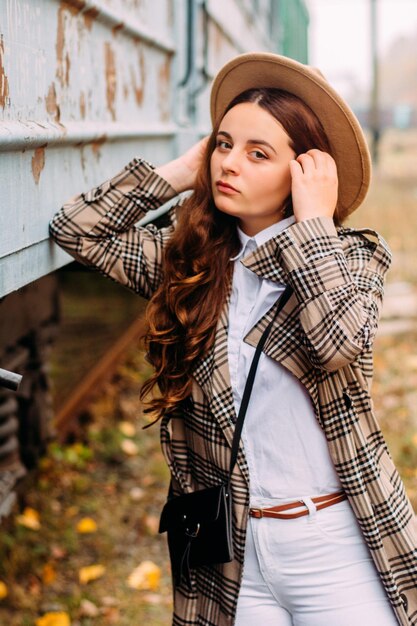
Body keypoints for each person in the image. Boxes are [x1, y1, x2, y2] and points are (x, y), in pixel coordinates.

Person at [49, 52, 417, 626]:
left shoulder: (351, 256)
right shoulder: (190, 268)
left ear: (304, 172)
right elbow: (78, 227)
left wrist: (314, 223)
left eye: (258, 153)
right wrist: (182, 170)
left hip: (336, 546)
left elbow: (338, 342)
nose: (230, 164)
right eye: (223, 145)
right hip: (232, 555)